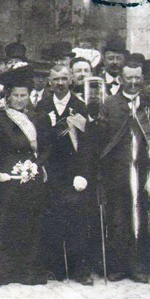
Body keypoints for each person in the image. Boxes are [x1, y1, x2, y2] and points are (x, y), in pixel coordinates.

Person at [0, 65, 48, 287]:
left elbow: (47, 149)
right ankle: (1, 272)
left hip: (31, 176)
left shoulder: (38, 118)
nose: (20, 100)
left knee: (31, 224)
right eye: (16, 96)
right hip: (8, 176)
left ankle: (28, 271)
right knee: (6, 224)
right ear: (8, 97)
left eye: (24, 95)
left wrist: (35, 165)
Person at [97, 59, 150, 283]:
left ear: (142, 79)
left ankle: (138, 265)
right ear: (121, 79)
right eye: (129, 78)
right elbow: (103, 138)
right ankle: (118, 266)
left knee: (141, 216)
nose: (133, 82)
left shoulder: (149, 104)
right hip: (117, 171)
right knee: (118, 218)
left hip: (143, 171)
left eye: (137, 78)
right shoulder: (110, 104)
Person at [36, 64, 94, 285]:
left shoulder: (80, 106)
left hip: (74, 173)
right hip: (51, 172)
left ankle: (80, 270)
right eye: (55, 79)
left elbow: (88, 145)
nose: (59, 83)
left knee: (77, 221)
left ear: (71, 80)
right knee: (51, 220)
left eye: (63, 78)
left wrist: (83, 173)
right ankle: (56, 268)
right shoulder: (41, 106)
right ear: (49, 82)